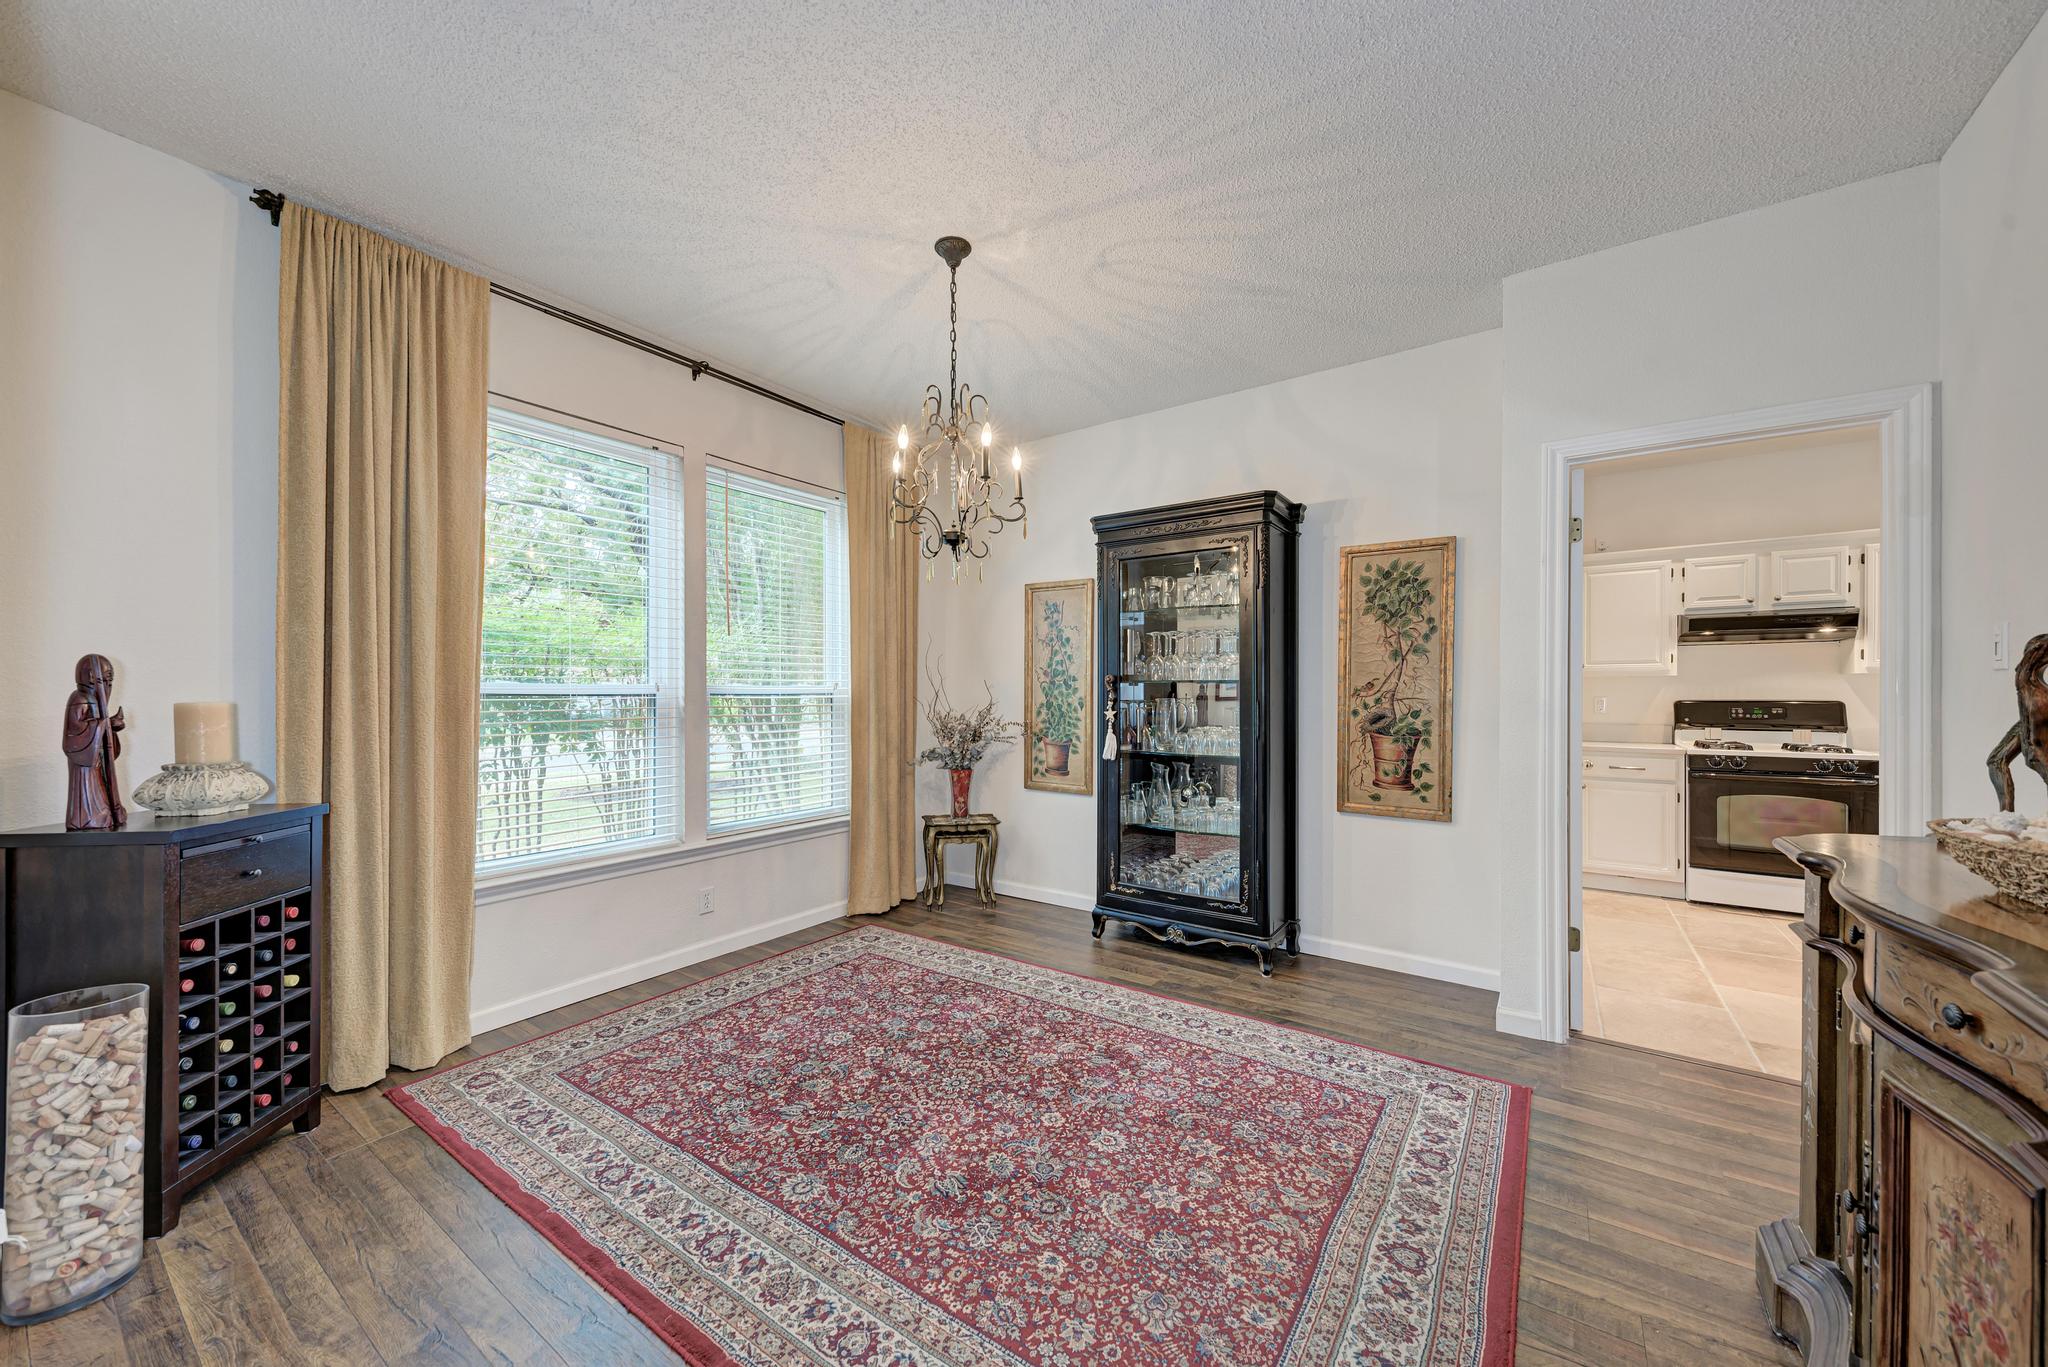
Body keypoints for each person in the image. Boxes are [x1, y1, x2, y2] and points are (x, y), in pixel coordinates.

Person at [62, 653, 125, 829]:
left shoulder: (93, 701)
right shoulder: (79, 699)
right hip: (84, 767)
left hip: (97, 765)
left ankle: (106, 812)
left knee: (101, 790)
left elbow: (98, 730)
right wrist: (106, 724)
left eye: (111, 683)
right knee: (89, 795)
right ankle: (87, 817)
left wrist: (110, 727)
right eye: (106, 681)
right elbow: (76, 735)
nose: (108, 687)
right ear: (91, 678)